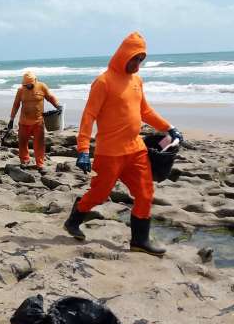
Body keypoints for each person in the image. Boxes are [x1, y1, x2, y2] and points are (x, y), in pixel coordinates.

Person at [63, 32, 184, 257]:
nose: (137, 64)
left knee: (145, 193)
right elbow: (89, 116)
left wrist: (169, 128)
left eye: (141, 59)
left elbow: (145, 111)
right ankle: (74, 218)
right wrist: (82, 149)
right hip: (110, 153)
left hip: (136, 149)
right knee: (99, 194)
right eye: (134, 58)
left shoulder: (137, 80)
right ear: (123, 55)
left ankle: (140, 240)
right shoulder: (103, 82)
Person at [8, 71, 61, 172]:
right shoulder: (20, 90)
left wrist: (58, 105)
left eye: (30, 84)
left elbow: (50, 97)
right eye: (26, 84)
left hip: (38, 122)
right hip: (24, 122)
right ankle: (24, 160)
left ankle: (40, 164)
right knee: (22, 143)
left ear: (35, 81)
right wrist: (11, 119)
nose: (28, 86)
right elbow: (16, 105)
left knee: (39, 144)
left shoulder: (42, 86)